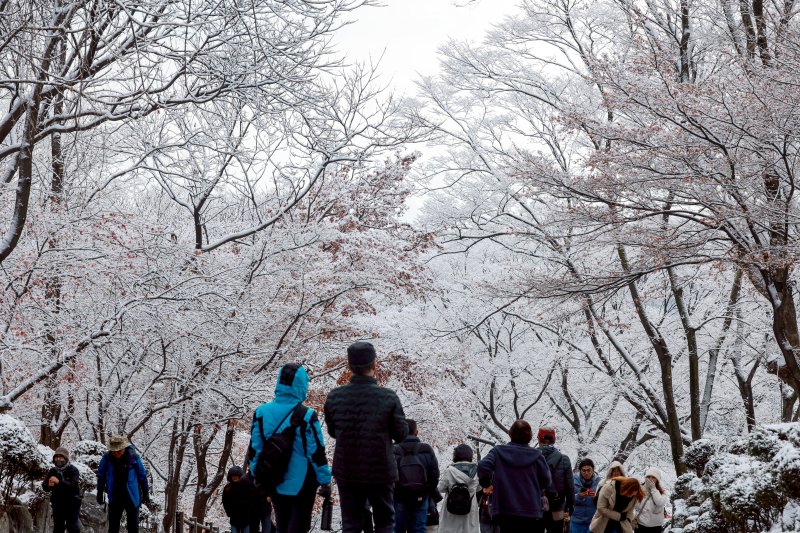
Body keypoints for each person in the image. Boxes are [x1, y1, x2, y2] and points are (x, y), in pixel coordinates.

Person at [324, 341, 409, 533]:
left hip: (347, 469)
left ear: (349, 366)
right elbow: (401, 434)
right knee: (385, 522)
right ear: (374, 364)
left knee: (351, 523)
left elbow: (332, 431)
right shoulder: (388, 397)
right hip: (381, 469)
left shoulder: (335, 397)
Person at [247, 363, 332, 533]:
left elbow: (255, 449)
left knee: (282, 524)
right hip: (303, 483)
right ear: (302, 385)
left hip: (274, 479)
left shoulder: (261, 412)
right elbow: (316, 452)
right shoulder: (307, 415)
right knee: (299, 526)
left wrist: (257, 475)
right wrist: (325, 481)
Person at [477, 420, 551, 533]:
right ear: (530, 436)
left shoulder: (498, 452)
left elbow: (483, 466)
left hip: (504, 510)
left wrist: (486, 484)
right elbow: (547, 480)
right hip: (530, 510)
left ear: (510, 433)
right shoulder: (537, 456)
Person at [96, 435, 149, 533]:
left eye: (119, 450)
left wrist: (146, 494)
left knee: (133, 528)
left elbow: (142, 476)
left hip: (131, 496)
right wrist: (100, 492)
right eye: (113, 450)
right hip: (115, 496)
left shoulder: (133, 457)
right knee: (113, 527)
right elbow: (101, 475)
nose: (116, 453)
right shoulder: (107, 458)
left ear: (124, 447)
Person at [394, 419, 440, 533]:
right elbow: (435, 476)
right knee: (419, 528)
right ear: (417, 432)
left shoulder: (393, 450)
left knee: (397, 529)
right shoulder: (427, 449)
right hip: (421, 496)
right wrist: (426, 490)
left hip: (399, 496)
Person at [537, 427, 574, 533]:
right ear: (554, 440)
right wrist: (570, 505)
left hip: (535, 506)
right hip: (557, 505)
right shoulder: (564, 459)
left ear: (539, 439)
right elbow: (569, 486)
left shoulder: (531, 457)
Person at [438, 444, 480, 533]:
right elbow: (479, 488)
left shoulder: (449, 470)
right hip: (469, 508)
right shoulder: (477, 471)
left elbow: (440, 488)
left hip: (451, 508)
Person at [43, 447, 82, 533]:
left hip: (72, 503)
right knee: (58, 528)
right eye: (56, 457)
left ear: (66, 458)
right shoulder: (52, 471)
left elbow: (73, 486)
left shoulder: (73, 470)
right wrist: (48, 485)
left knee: (72, 527)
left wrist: (59, 482)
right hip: (58, 504)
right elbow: (44, 486)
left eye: (61, 457)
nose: (58, 459)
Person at [633, 468, 668, 533]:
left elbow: (659, 502)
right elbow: (633, 505)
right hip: (641, 525)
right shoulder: (639, 490)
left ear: (657, 480)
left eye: (653, 477)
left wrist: (653, 489)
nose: (650, 479)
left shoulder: (662, 491)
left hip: (656, 526)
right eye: (648, 477)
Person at [571, 459, 601, 533]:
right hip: (576, 521)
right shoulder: (573, 482)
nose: (586, 473)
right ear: (580, 471)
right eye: (583, 470)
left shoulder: (599, 483)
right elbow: (567, 500)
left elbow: (604, 503)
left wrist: (596, 498)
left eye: (589, 470)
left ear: (593, 470)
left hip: (593, 522)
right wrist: (579, 496)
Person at [224, 466, 256, 533]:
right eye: (233, 476)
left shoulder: (246, 486)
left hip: (246, 518)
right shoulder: (227, 488)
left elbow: (252, 499)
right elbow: (225, 501)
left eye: (236, 476)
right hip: (234, 518)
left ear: (239, 476)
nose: (235, 477)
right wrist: (229, 512)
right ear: (230, 476)